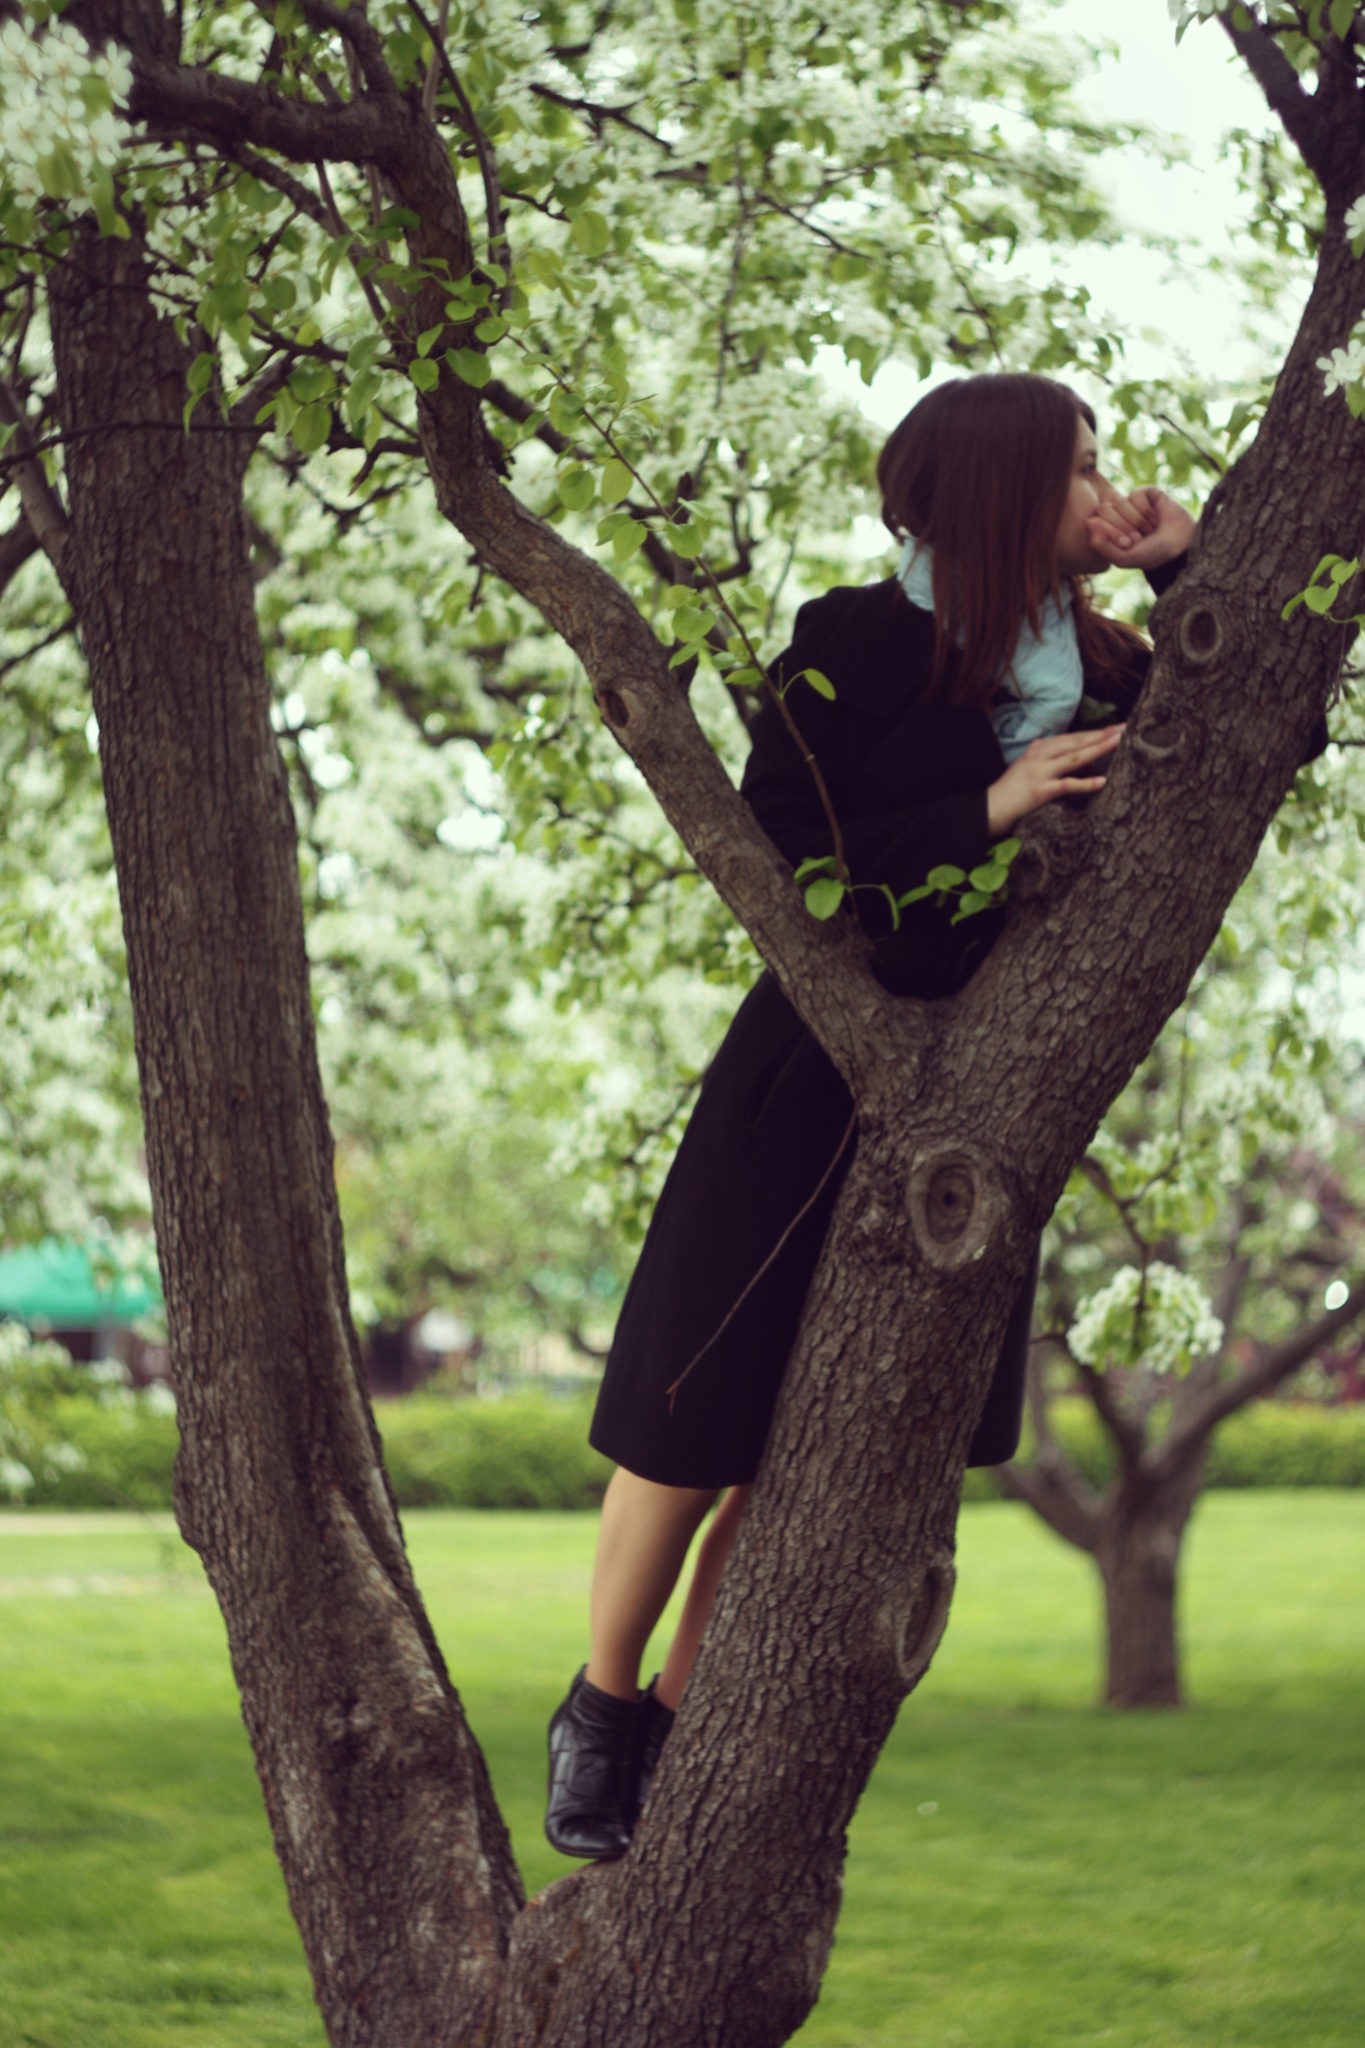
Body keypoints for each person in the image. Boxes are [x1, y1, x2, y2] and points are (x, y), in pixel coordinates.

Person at [544, 372, 1198, 1862]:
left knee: (804, 1459)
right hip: (809, 1069)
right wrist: (990, 806)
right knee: (695, 1426)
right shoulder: (847, 640)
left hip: (979, 1104)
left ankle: (682, 1729)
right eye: (1077, 465)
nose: (1103, 486)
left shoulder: (1108, 663)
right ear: (1000, 490)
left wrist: (1181, 570)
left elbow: (1240, 733)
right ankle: (600, 1706)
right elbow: (779, 853)